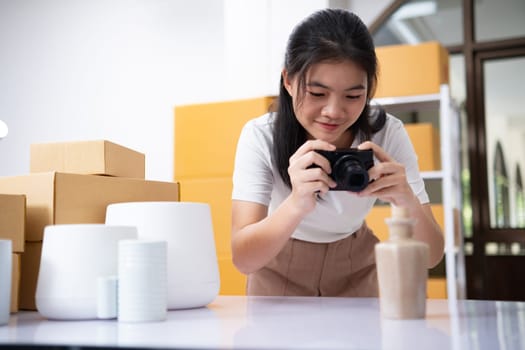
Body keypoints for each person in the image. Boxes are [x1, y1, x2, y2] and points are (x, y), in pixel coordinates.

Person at [231, 8, 444, 297]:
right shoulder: (261, 136)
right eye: (318, 93)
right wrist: (296, 204)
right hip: (276, 264)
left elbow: (432, 256)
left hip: (358, 265)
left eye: (354, 96)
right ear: (288, 81)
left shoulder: (387, 133)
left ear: (369, 90)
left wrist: (405, 198)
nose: (334, 112)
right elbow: (243, 259)